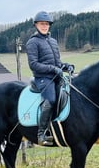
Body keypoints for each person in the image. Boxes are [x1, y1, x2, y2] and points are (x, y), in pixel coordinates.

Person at [26, 11, 74, 146]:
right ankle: (41, 134)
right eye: (42, 24)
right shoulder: (32, 42)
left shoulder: (53, 41)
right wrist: (53, 69)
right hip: (42, 78)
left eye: (46, 24)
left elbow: (57, 63)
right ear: (36, 25)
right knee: (51, 100)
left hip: (56, 76)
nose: (44, 26)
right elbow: (33, 65)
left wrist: (66, 66)